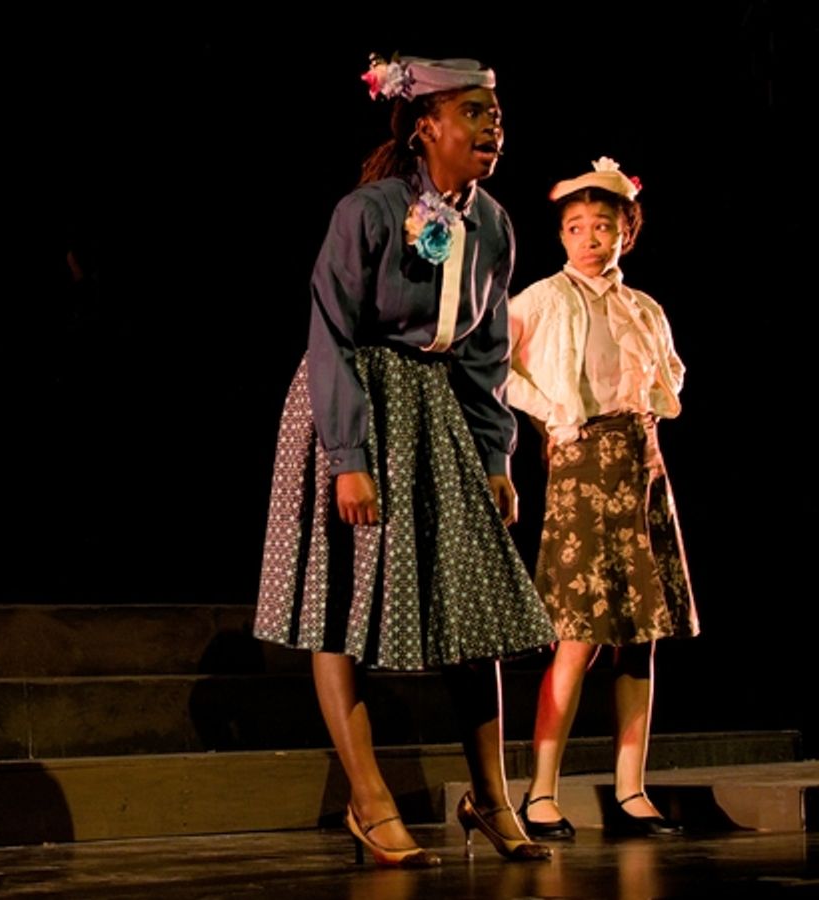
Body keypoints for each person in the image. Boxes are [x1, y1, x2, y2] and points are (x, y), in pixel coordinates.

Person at [254, 54, 556, 866]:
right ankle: (369, 795)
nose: (493, 128)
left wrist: (495, 456)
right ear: (426, 125)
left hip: (442, 413)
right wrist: (349, 453)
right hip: (356, 398)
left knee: (475, 607)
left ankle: (490, 796)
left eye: (497, 115)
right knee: (340, 602)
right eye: (474, 113)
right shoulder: (369, 211)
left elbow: (486, 351)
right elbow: (333, 329)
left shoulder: (493, 224)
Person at [507, 158, 698, 839]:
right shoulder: (540, 298)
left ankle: (629, 788)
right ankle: (541, 791)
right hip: (580, 463)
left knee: (640, 635)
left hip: (640, 464)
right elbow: (497, 365)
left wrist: (643, 419)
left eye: (604, 226)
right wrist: (553, 415)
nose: (590, 238)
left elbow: (667, 377)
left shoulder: (642, 306)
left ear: (626, 232)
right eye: (576, 226)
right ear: (560, 234)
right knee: (576, 632)